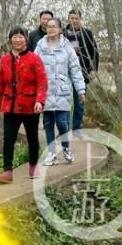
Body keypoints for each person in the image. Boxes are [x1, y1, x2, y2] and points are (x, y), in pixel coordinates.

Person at [0, 26, 48, 183]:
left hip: (30, 106)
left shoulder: (34, 59)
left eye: (21, 36)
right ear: (10, 40)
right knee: (8, 138)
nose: (18, 39)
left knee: (32, 137)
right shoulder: (5, 60)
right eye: (15, 36)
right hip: (10, 106)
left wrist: (40, 100)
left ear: (26, 39)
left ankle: (33, 165)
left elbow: (42, 82)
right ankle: (7, 171)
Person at [35, 18, 85, 166]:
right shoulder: (40, 47)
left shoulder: (67, 47)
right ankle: (51, 154)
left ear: (59, 29)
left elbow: (75, 70)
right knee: (48, 122)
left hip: (63, 90)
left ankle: (66, 148)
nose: (51, 29)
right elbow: (33, 68)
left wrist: (81, 90)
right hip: (46, 91)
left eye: (54, 26)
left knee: (62, 122)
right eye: (49, 27)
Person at [64, 9, 99, 134]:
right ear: (68, 19)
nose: (73, 20)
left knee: (79, 103)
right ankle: (64, 129)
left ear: (80, 19)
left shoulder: (87, 34)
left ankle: (77, 129)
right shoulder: (63, 33)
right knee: (65, 102)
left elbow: (94, 52)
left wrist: (93, 69)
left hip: (82, 72)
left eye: (76, 18)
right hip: (65, 73)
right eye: (71, 18)